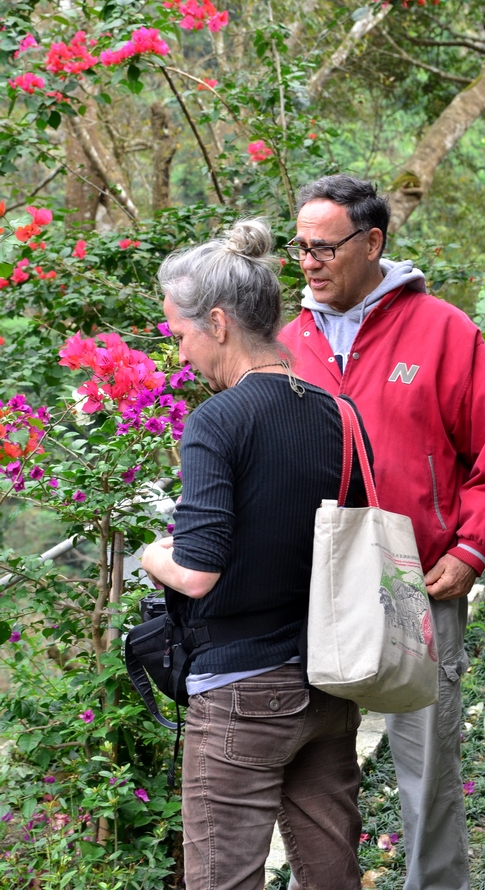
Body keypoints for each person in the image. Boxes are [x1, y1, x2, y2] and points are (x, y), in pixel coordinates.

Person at [279, 175, 485, 890]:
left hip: (413, 583)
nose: (309, 261)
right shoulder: (286, 339)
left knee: (426, 770)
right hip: (310, 590)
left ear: (372, 242)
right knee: (312, 773)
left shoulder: (443, 331)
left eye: (323, 247)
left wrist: (472, 549)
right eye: (300, 247)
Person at [141, 218, 371, 890]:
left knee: (222, 879)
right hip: (329, 680)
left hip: (241, 694)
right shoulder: (340, 413)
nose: (180, 354)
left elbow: (198, 567)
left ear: (216, 323)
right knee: (332, 873)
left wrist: (156, 553)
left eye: (179, 335)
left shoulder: (218, 419)